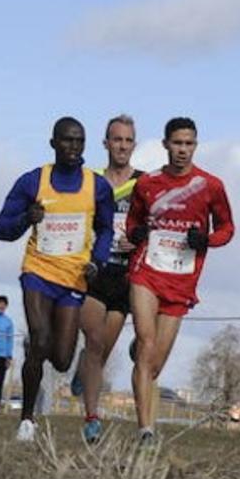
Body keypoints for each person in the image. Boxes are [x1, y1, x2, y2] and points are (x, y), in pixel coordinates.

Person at [0, 116, 114, 442]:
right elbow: (0, 228)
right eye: (67, 140)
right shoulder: (33, 182)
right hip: (38, 272)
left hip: (73, 278)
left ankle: (38, 346)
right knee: (41, 339)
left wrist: (97, 260)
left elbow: (106, 229)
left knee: (60, 359)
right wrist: (24, 218)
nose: (73, 147)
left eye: (79, 141)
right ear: (53, 143)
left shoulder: (96, 186)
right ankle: (27, 420)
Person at [125, 117, 234, 445]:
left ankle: (141, 353)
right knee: (146, 345)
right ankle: (145, 431)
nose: (182, 150)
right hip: (146, 271)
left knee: (153, 364)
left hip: (182, 281)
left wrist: (207, 240)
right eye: (177, 143)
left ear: (195, 146)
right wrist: (137, 233)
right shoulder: (148, 184)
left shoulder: (210, 185)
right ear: (165, 144)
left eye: (188, 144)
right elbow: (132, 224)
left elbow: (227, 228)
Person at [72, 115, 144, 443]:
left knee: (100, 353)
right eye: (117, 140)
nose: (123, 146)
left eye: (128, 141)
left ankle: (83, 371)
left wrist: (139, 239)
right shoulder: (91, 180)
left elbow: (156, 223)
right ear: (105, 143)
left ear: (135, 145)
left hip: (124, 276)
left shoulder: (145, 184)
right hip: (93, 271)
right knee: (94, 341)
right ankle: (92, 418)